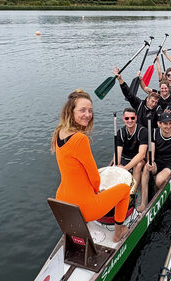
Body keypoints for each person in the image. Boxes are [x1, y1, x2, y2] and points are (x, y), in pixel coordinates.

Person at [51, 89, 130, 242]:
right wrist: (96, 193)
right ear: (71, 111)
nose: (87, 114)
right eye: (82, 110)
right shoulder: (80, 139)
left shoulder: (59, 132)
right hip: (85, 208)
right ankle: (119, 231)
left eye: (90, 111)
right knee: (125, 190)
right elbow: (94, 178)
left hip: (63, 201)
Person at [115, 108, 148, 209]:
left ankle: (132, 193)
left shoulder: (142, 131)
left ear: (136, 118)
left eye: (132, 118)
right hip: (125, 157)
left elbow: (142, 154)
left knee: (137, 166)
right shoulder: (120, 132)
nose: (130, 120)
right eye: (127, 118)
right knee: (114, 168)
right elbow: (118, 152)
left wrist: (125, 168)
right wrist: (117, 165)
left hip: (137, 158)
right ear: (123, 119)